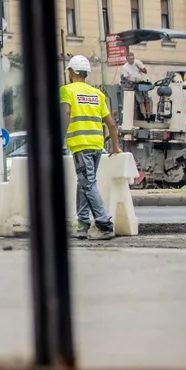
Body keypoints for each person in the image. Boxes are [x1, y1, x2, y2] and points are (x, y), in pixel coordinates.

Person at [62, 55, 122, 241]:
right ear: (86, 73)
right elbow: (111, 124)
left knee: (88, 184)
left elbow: (65, 113)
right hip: (96, 145)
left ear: (71, 73)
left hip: (80, 145)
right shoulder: (97, 94)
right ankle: (82, 225)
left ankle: (104, 225)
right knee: (84, 183)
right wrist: (115, 147)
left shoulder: (66, 90)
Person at [120, 52, 151, 120]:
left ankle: (149, 115)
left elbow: (145, 71)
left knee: (147, 100)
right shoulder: (125, 67)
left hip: (142, 82)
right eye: (130, 59)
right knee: (141, 101)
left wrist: (139, 68)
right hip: (135, 83)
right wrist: (133, 79)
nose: (132, 61)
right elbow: (126, 77)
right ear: (127, 59)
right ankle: (145, 117)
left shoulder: (138, 62)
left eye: (132, 59)